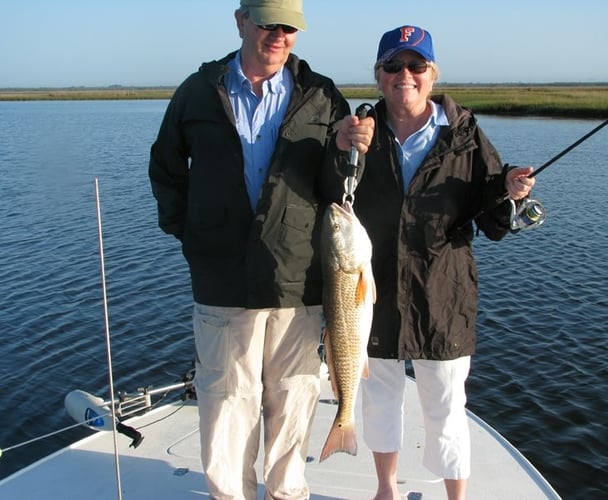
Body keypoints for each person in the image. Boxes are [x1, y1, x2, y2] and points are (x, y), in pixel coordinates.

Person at [148, 1, 374, 498]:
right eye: (268, 23)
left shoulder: (321, 96)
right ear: (240, 20)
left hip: (299, 281)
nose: (279, 35)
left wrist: (347, 150)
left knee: (293, 403)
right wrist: (191, 235)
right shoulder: (197, 92)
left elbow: (336, 190)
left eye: (289, 27)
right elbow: (165, 168)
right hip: (222, 281)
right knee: (227, 405)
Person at [336, 26, 536, 500]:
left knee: (446, 406)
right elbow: (331, 196)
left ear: (432, 74)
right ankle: (385, 489)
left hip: (443, 292)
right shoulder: (359, 131)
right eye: (393, 66)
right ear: (379, 75)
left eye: (416, 66)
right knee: (380, 397)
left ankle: (455, 496)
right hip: (372, 288)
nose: (405, 75)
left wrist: (508, 191)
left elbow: (491, 221)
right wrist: (342, 148)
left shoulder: (464, 135)